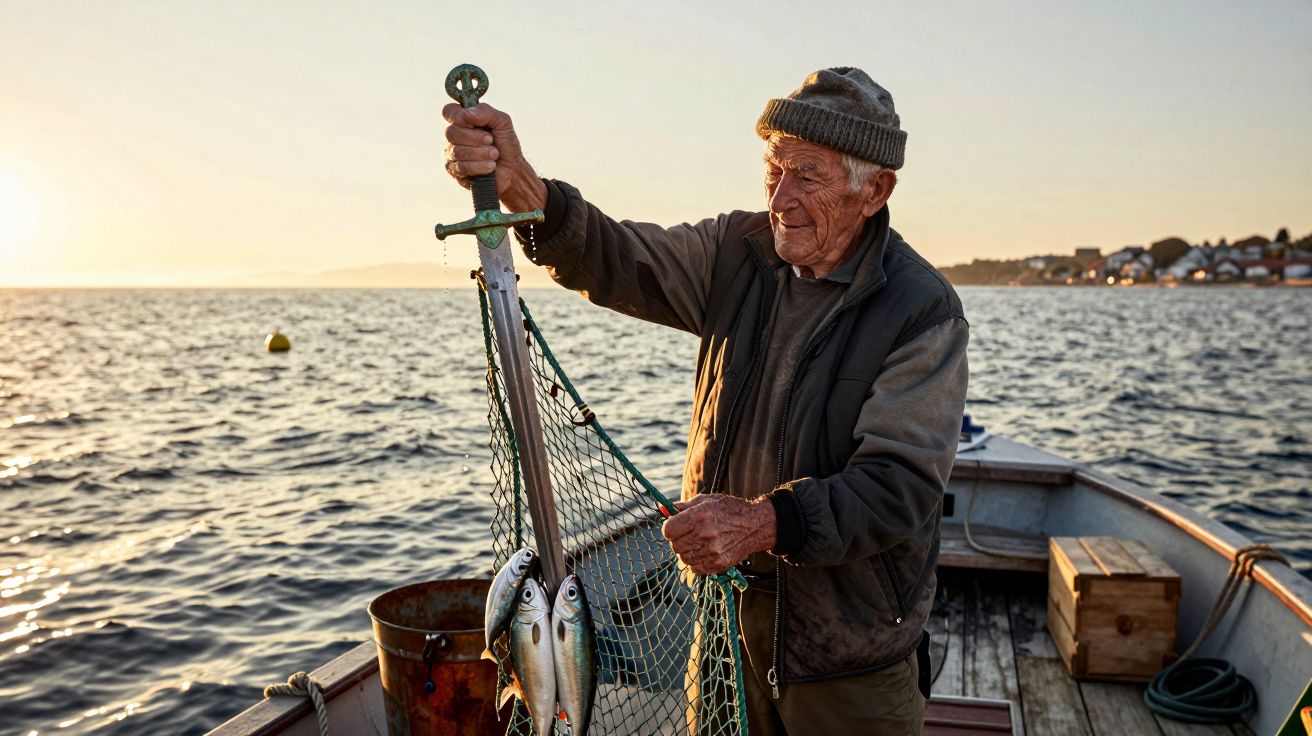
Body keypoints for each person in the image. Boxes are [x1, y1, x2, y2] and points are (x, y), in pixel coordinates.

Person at [443, 67, 968, 735]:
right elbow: (617, 256)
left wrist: (763, 522)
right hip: (723, 625)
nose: (781, 198)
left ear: (876, 191)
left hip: (847, 660)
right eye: (773, 169)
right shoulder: (736, 253)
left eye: (808, 175)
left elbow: (900, 487)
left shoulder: (922, 311)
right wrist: (523, 186)